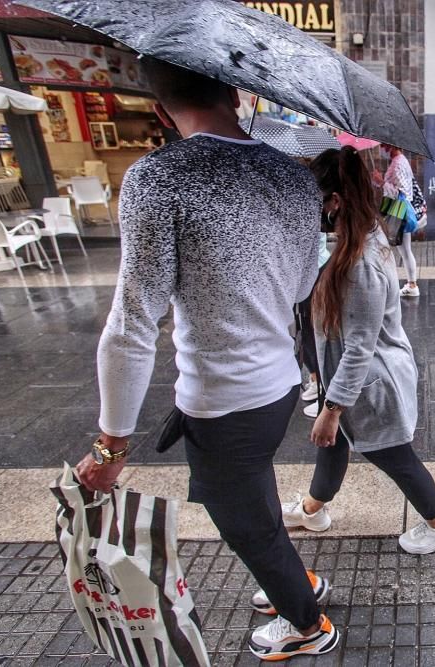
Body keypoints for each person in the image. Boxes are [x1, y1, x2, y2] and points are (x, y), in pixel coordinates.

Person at [74, 58, 338, 660]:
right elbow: (301, 288)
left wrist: (111, 445)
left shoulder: (158, 179)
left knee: (242, 519)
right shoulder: (293, 177)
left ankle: (307, 625)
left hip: (222, 398)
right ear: (234, 94)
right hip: (279, 385)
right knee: (255, 498)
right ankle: (298, 582)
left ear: (162, 111)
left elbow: (133, 323)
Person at [280, 146, 435, 555]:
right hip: (354, 379)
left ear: (336, 202)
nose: (312, 210)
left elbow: (360, 347)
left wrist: (331, 409)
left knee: (394, 458)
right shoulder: (355, 237)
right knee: (331, 445)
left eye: (316, 201)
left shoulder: (360, 261)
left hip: (372, 383)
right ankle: (313, 510)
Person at [379, 143, 422, 297]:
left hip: (398, 212)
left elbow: (399, 193)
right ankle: (411, 284)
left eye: (383, 145)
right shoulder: (401, 160)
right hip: (401, 211)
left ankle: (410, 285)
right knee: (405, 250)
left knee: (399, 249)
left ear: (391, 146)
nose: (381, 148)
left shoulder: (397, 164)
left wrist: (381, 182)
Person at [299, 231, 331, 420]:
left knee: (312, 331)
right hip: (309, 267)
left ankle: (324, 396)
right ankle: (315, 379)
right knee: (306, 330)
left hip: (312, 268)